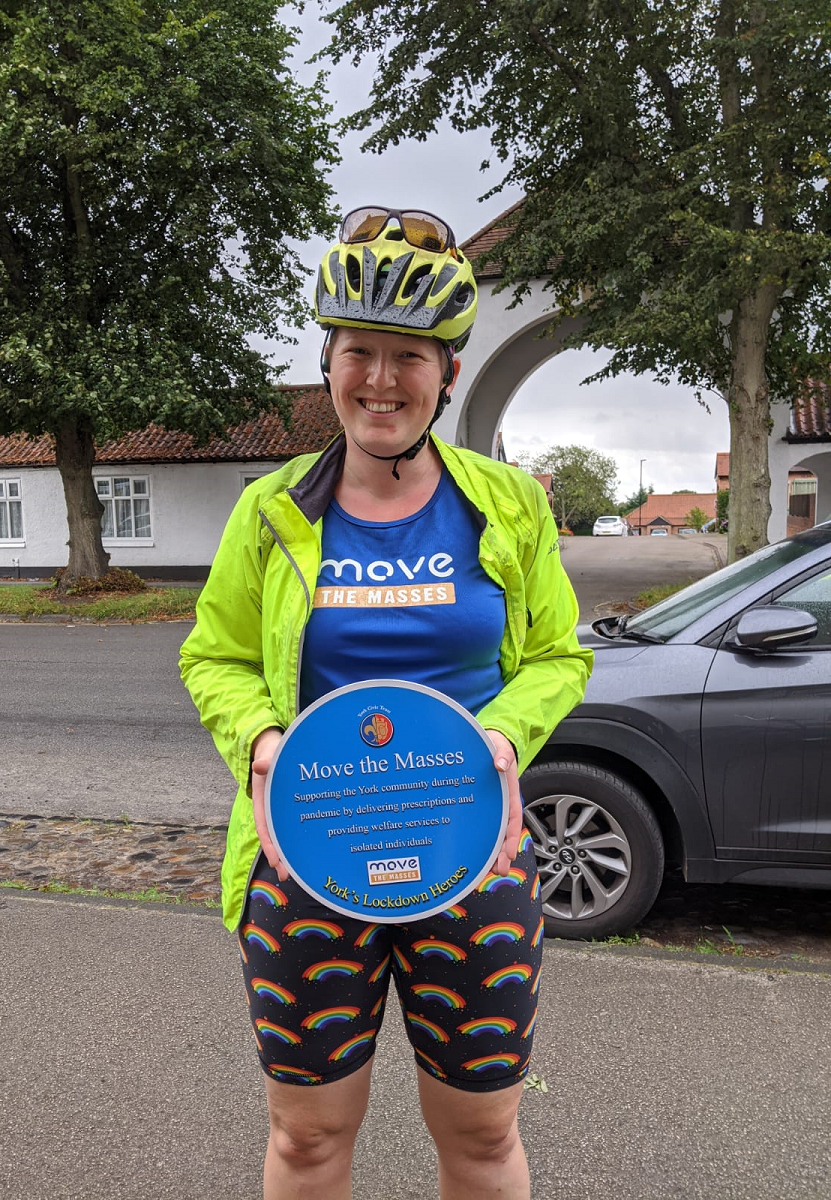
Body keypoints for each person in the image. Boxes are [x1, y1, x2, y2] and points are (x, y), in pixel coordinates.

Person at [179, 205, 593, 1200]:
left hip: (473, 855)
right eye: (358, 350)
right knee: (310, 1142)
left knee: (485, 1140)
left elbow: (556, 657)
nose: (380, 378)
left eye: (410, 355)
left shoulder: (511, 505)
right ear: (328, 362)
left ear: (447, 372)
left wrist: (502, 735)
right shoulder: (271, 509)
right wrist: (260, 739)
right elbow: (215, 657)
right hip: (306, 856)